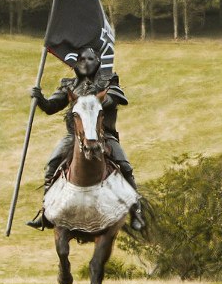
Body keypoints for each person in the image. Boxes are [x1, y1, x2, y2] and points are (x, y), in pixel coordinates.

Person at [26, 46, 143, 231]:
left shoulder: (109, 81)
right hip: (74, 137)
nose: (85, 63)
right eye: (81, 59)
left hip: (103, 136)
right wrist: (39, 98)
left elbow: (113, 99)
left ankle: (136, 211)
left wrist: (96, 98)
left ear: (98, 62)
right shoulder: (69, 85)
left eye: (90, 59)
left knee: (125, 166)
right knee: (51, 165)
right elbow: (51, 106)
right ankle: (46, 212)